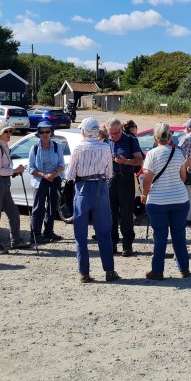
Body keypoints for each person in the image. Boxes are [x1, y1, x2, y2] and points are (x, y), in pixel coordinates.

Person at [66, 117, 120, 283]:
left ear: (84, 131)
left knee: (80, 234)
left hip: (82, 188)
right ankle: (109, 271)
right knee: (104, 232)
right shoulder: (105, 147)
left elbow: (69, 175)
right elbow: (110, 174)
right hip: (101, 187)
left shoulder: (78, 148)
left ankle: (84, 273)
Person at [140, 122, 191, 280]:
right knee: (179, 235)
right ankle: (184, 268)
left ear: (155, 137)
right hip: (179, 198)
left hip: (158, 201)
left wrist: (144, 195)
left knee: (160, 237)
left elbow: (148, 178)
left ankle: (157, 270)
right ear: (170, 136)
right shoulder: (177, 153)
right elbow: (183, 177)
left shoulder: (151, 154)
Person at [0, 121, 27, 254]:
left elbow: (4, 168)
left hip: (3, 183)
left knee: (13, 212)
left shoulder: (5, 146)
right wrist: (14, 171)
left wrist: (15, 171)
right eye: (6, 131)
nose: (9, 134)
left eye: (10, 131)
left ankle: (16, 240)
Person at [107, 118, 143, 256]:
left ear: (121, 129)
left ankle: (127, 244)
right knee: (110, 213)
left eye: (115, 133)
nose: (113, 136)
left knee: (127, 213)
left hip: (125, 178)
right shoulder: (106, 141)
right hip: (110, 178)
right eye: (111, 134)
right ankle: (112, 242)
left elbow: (139, 160)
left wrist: (126, 161)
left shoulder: (130, 140)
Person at [28, 121, 64, 244]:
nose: (45, 134)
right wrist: (44, 175)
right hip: (40, 180)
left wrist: (53, 174)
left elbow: (61, 164)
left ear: (51, 132)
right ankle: (35, 235)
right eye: (42, 132)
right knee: (38, 208)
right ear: (38, 133)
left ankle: (48, 232)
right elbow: (31, 168)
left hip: (54, 178)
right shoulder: (35, 148)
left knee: (52, 206)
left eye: (47, 131)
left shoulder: (57, 146)